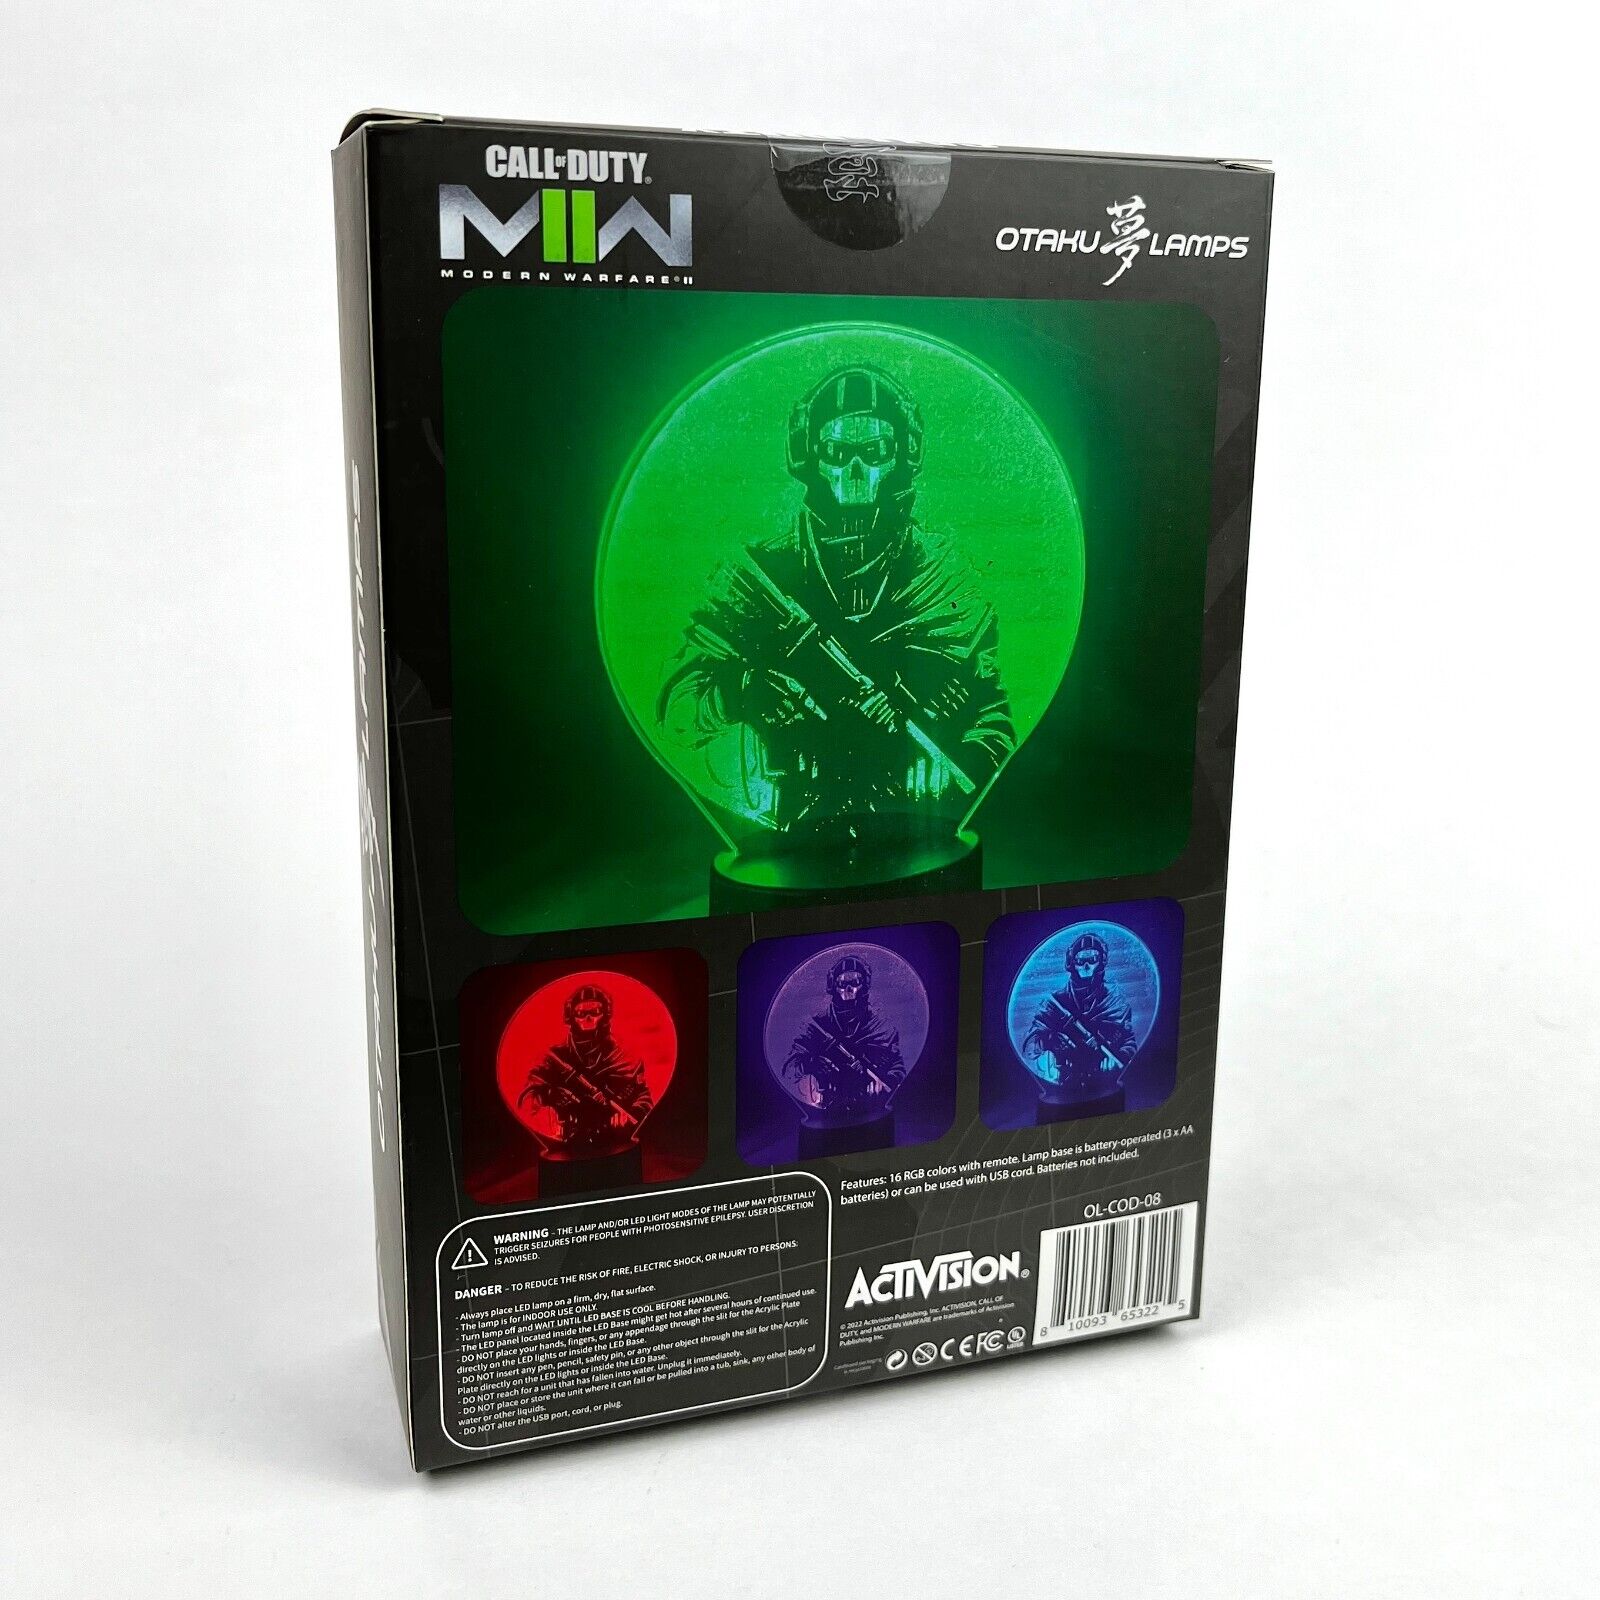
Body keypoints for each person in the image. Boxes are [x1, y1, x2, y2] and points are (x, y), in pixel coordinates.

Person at [657, 365, 1013, 838]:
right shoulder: (759, 576)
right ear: (809, 454)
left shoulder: (948, 579)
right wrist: (741, 690)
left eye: (876, 451)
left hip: (916, 823)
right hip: (793, 825)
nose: (856, 471)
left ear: (903, 453)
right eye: (838, 452)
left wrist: (959, 763)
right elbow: (676, 711)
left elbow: (995, 716)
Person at [517, 984, 652, 1158]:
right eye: (581, 1013)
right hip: (566, 1142)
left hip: (614, 1141)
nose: (588, 1018)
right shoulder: (554, 1057)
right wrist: (550, 1095)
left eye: (595, 1012)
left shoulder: (626, 1057)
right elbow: (527, 1098)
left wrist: (631, 1116)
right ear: (571, 1016)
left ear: (605, 1014)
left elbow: (644, 1097)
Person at [781, 954, 905, 1121]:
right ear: (833, 986)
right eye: (842, 983)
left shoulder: (883, 1028)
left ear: (865, 985)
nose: (849, 989)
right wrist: (812, 1064)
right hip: (827, 1112)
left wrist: (883, 1083)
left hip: (870, 1111)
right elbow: (789, 1069)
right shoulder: (817, 1026)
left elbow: (898, 1069)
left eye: (855, 982)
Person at [1022, 933, 1139, 1101]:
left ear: (1101, 961)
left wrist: (1117, 1060)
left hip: (1105, 1084)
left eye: (1092, 959)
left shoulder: (1116, 1002)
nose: (1086, 965)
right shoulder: (1055, 1003)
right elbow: (1030, 1045)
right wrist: (1050, 1040)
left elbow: (1129, 1043)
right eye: (1080, 960)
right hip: (1064, 1084)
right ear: (1072, 963)